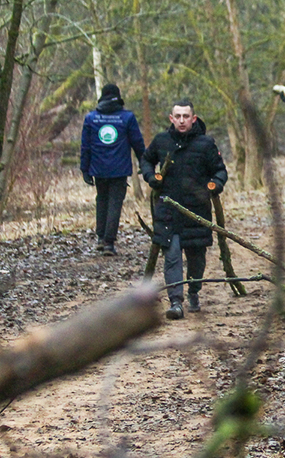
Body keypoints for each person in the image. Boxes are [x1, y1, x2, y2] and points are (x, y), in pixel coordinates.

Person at [140, 99, 228, 321]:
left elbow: (220, 172)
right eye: (177, 116)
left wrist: (215, 185)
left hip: (197, 213)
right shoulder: (161, 141)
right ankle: (176, 302)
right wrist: (152, 177)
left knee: (197, 259)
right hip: (168, 211)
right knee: (172, 257)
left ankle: (194, 291)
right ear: (171, 118)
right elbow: (146, 160)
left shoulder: (206, 144)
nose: (181, 120)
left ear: (193, 118)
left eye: (185, 116)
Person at [80, 83, 146, 256]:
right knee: (115, 203)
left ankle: (101, 238)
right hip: (119, 169)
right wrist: (144, 163)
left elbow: (85, 147)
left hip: (98, 169)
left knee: (102, 201)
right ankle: (109, 242)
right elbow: (137, 143)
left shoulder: (91, 118)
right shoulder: (127, 118)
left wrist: (84, 169)